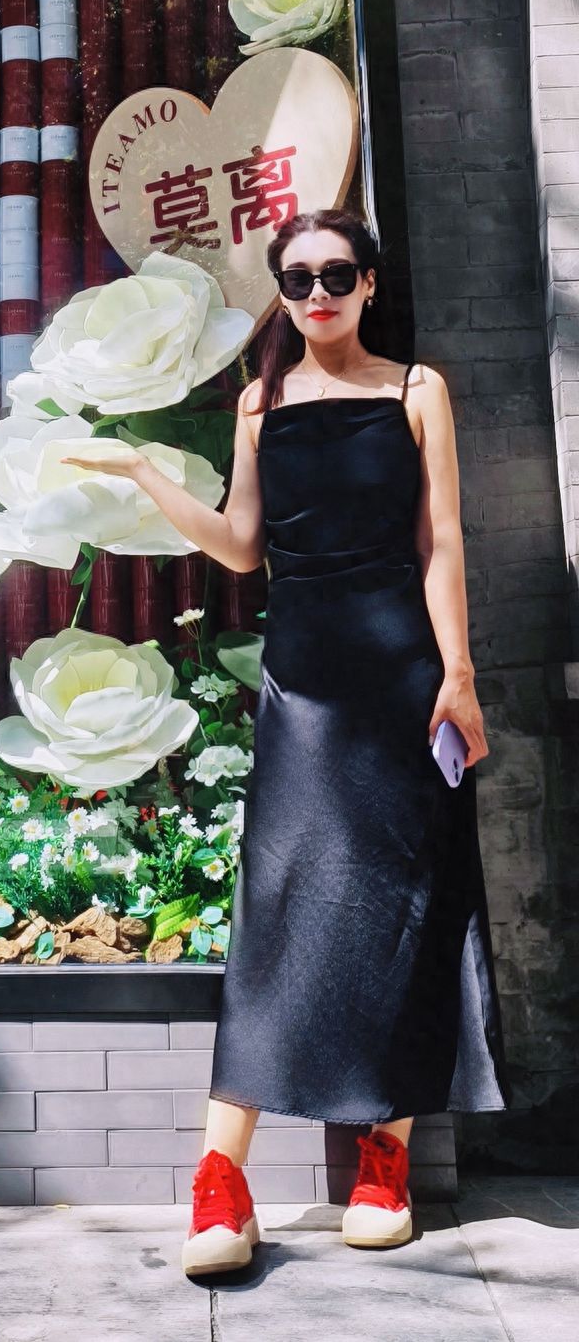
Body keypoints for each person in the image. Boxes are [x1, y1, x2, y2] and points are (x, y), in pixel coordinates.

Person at [64, 208, 511, 1280]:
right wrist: (141, 473)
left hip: (403, 673)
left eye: (336, 275)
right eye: (298, 278)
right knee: (279, 909)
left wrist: (456, 675)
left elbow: (439, 539)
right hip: (300, 684)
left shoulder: (414, 391)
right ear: (282, 290)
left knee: (405, 898)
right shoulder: (258, 403)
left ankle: (381, 1158)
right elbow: (237, 547)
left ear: (367, 283)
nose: (317, 293)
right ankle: (219, 1181)